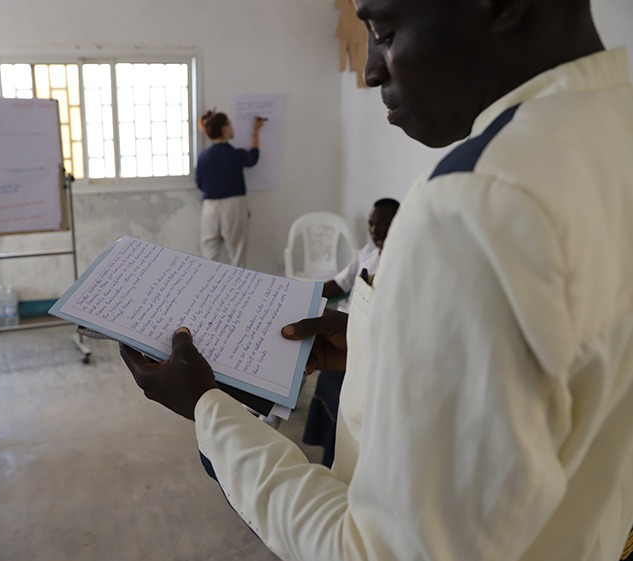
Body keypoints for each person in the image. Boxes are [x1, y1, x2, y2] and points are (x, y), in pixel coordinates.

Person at [120, 1, 633, 560]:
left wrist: (208, 408)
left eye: (385, 32)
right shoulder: (612, 123)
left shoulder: (471, 205)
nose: (369, 70)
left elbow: (382, 552)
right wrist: (376, 340)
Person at [303, 197, 399, 467]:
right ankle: (273, 411)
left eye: (384, 224)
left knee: (328, 372)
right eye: (372, 223)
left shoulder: (400, 259)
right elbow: (339, 283)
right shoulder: (367, 252)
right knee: (303, 342)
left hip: (367, 331)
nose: (375, 230)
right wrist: (303, 293)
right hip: (347, 321)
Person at [196, 110, 264, 268]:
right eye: (230, 124)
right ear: (225, 128)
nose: (233, 128)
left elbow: (200, 183)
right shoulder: (234, 154)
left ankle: (207, 291)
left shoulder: (203, 156)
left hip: (209, 207)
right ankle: (239, 292)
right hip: (234, 204)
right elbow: (253, 158)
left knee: (208, 256)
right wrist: (255, 131)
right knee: (237, 255)